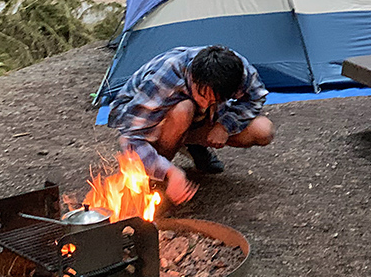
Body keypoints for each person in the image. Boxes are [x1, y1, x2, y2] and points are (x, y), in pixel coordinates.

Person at [108, 45, 274, 205]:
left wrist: (224, 126)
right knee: (184, 109)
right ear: (193, 78)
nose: (207, 102)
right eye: (202, 96)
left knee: (263, 130)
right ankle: (159, 178)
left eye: (215, 100)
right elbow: (131, 138)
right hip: (151, 119)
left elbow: (255, 97)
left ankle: (192, 145)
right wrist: (170, 172)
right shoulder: (165, 78)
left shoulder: (237, 72)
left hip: (196, 120)